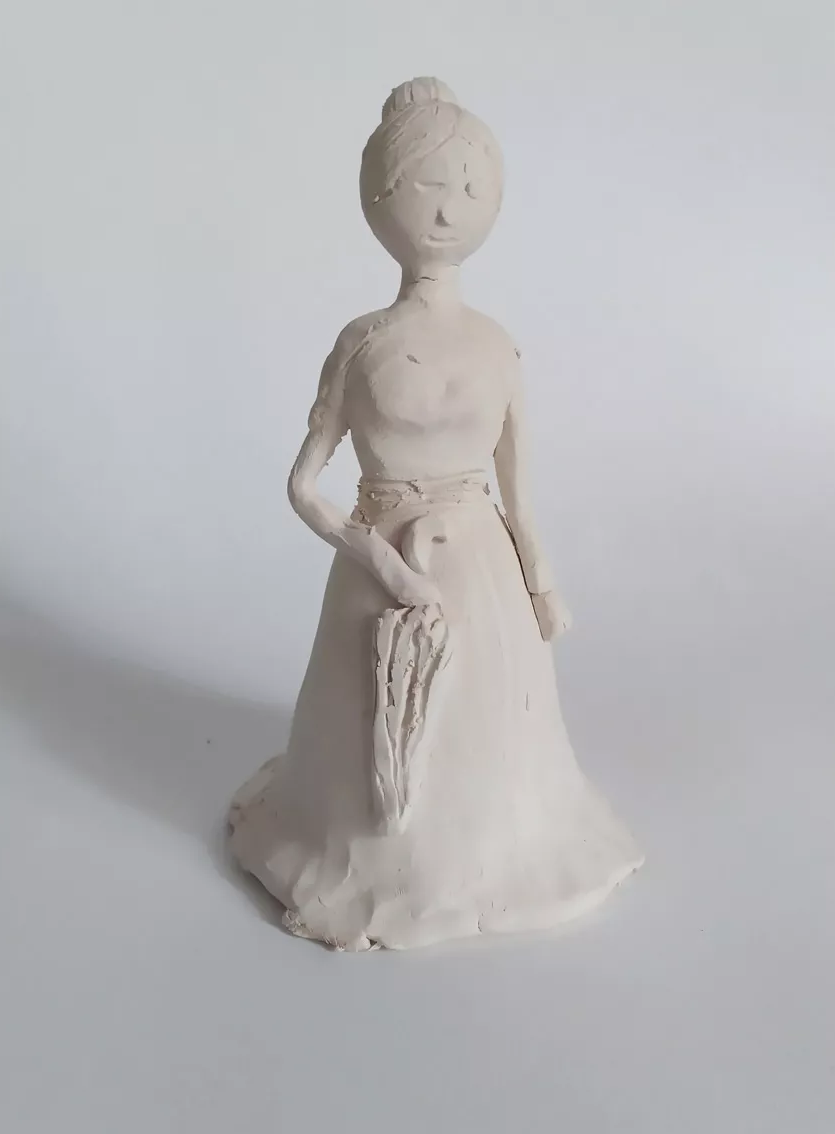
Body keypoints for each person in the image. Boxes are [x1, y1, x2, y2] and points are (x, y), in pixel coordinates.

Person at [229, 78, 643, 951]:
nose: (449, 209)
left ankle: (488, 858)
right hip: (381, 565)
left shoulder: (496, 344)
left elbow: (518, 487)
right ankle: (364, 859)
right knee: (365, 762)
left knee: (493, 741)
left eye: (470, 187)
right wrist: (381, 562)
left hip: (482, 575)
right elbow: (304, 485)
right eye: (426, 185)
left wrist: (541, 583)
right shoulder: (363, 343)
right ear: (379, 197)